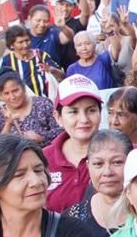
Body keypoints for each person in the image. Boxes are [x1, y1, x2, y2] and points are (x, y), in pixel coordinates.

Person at [43, 75, 105, 213]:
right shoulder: (42, 160)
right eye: (73, 112)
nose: (83, 119)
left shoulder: (120, 152)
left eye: (91, 110)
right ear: (58, 117)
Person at [0, 71, 61, 144]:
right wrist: (8, 124)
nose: (12, 97)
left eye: (15, 91)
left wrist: (42, 138)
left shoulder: (43, 104)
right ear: (1, 95)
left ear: (24, 89)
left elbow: (62, 130)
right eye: (6, 93)